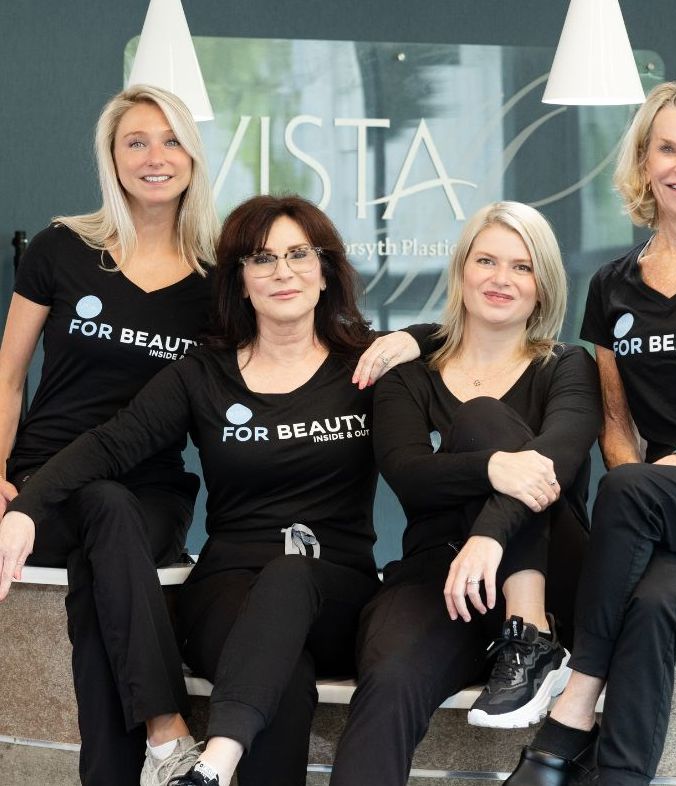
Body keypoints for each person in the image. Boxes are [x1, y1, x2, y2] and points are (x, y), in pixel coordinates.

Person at [0, 194, 436, 786]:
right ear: (239, 280)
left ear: (325, 270)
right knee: (281, 683)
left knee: (291, 575)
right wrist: (27, 507)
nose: (282, 272)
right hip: (228, 592)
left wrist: (416, 337)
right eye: (262, 259)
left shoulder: (368, 365)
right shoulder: (203, 372)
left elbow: (482, 335)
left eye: (299, 254)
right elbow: (109, 444)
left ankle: (208, 770)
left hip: (335, 594)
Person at [505, 80, 676, 786]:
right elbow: (617, 427)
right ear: (643, 162)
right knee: (654, 600)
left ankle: (571, 711)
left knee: (629, 489)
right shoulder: (612, 286)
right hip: (668, 510)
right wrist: (652, 484)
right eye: (668, 148)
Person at [329, 201, 602, 786]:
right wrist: (494, 469)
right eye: (486, 261)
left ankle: (532, 635)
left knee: (483, 417)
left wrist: (489, 535)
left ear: (543, 286)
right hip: (444, 577)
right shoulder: (410, 373)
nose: (502, 279)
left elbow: (556, 461)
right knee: (391, 675)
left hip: (557, 573)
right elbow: (408, 473)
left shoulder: (567, 367)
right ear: (461, 270)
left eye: (522, 267)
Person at [0, 84, 220, 786]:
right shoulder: (62, 249)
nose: (155, 157)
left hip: (151, 489)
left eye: (171, 140)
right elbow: (8, 378)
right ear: (112, 157)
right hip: (47, 482)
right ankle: (166, 732)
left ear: (192, 154)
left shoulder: (219, 282)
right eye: (136, 142)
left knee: (112, 518)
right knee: (101, 507)